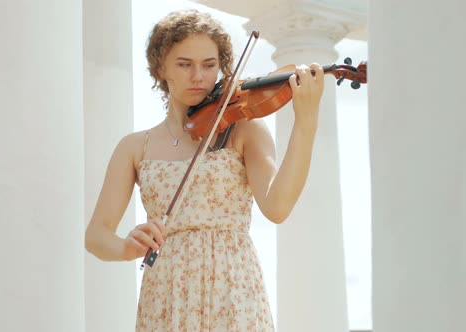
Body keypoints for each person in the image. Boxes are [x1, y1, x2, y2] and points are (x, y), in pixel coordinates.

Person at [85, 9, 324, 332]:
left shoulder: (243, 129)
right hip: (167, 295)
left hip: (234, 290)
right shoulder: (134, 146)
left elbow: (277, 207)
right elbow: (96, 236)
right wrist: (128, 247)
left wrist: (306, 122)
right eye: (184, 64)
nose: (198, 76)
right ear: (160, 68)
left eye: (209, 65)